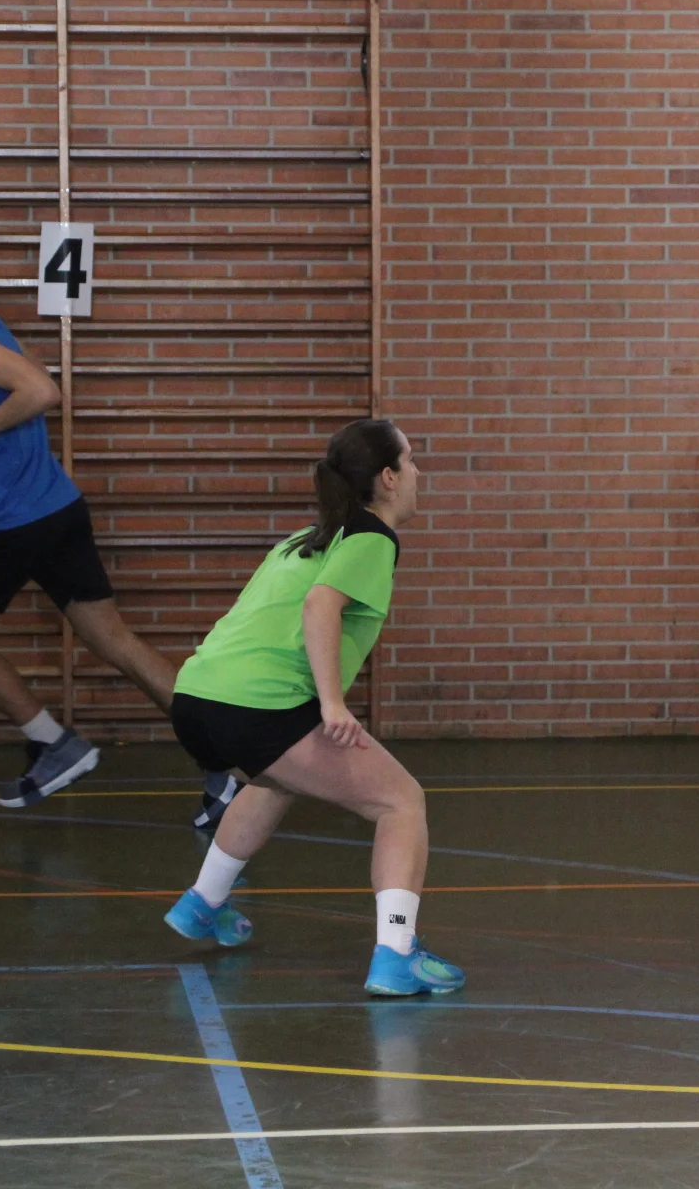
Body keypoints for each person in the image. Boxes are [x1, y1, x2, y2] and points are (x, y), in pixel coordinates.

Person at [0, 213, 238, 820]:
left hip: (14, 523)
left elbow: (43, 393)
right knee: (117, 643)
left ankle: (53, 743)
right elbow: (28, 381)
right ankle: (228, 765)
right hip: (57, 509)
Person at [162, 419, 463, 996]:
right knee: (401, 802)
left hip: (197, 697)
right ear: (388, 478)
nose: (419, 473)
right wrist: (331, 704)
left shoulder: (306, 538)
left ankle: (203, 902)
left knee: (277, 778)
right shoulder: (371, 538)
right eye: (411, 461)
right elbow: (320, 606)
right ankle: (397, 955)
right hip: (259, 705)